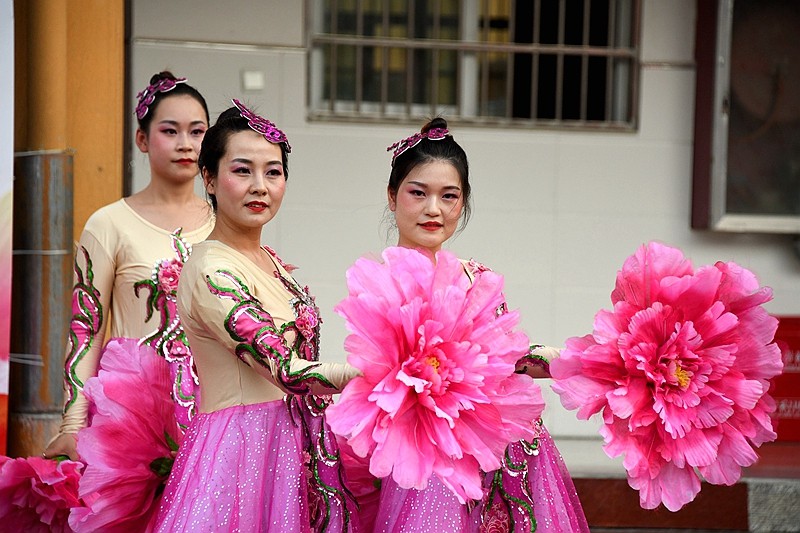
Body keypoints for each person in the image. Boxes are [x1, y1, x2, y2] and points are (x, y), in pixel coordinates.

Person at [371, 118, 589, 532]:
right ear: (392, 196)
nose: (433, 209)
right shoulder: (380, 284)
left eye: (448, 196)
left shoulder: (478, 278)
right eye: (418, 193)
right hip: (432, 460)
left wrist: (588, 360)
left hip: (508, 454)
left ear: (463, 202)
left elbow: (511, 362)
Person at [153, 100, 362, 532]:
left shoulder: (269, 261)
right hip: (242, 454)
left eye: (273, 172)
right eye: (242, 171)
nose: (260, 187)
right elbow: (283, 369)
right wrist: (375, 375)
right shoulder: (212, 269)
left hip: (297, 446)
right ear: (209, 179)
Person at [43, 71, 213, 462]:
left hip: (210, 416)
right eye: (170, 131)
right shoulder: (109, 224)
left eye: (197, 131)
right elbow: (86, 327)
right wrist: (73, 425)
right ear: (142, 139)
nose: (185, 144)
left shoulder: (226, 223)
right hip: (129, 414)